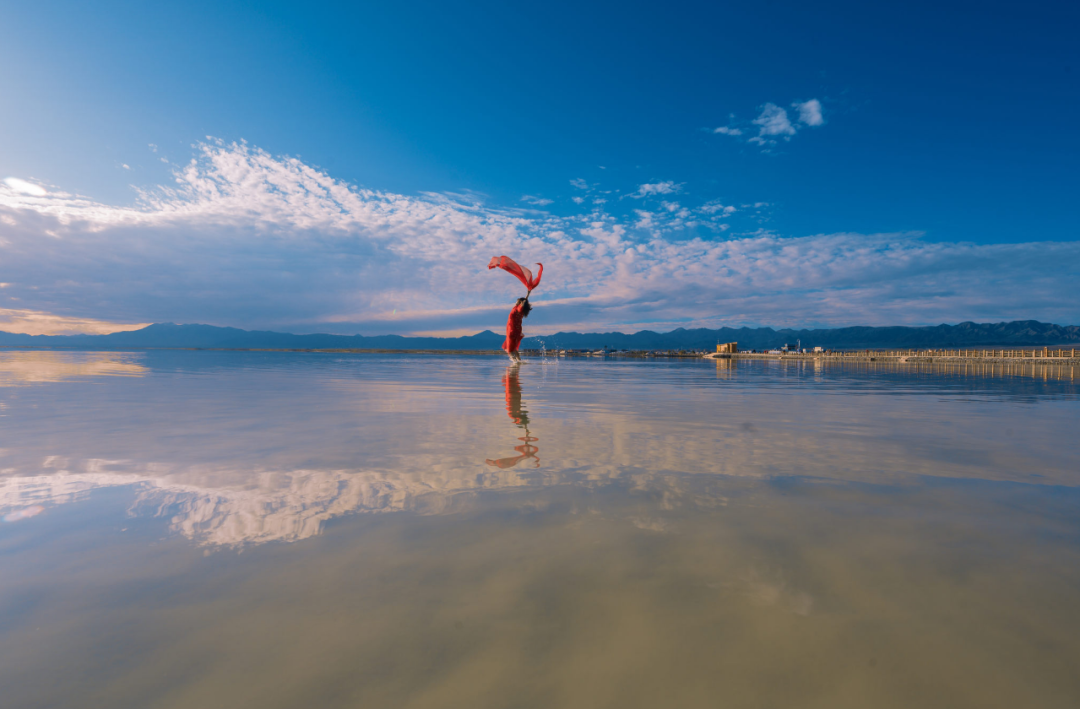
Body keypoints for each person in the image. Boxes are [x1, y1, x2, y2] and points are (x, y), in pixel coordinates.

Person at [502, 296, 532, 360]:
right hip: (513, 329)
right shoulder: (515, 308)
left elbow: (521, 306)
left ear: (520, 302)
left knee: (510, 349)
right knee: (514, 348)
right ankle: (518, 362)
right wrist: (525, 299)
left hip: (513, 330)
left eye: (517, 300)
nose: (515, 302)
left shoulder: (519, 309)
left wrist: (523, 302)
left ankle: (515, 363)